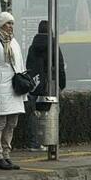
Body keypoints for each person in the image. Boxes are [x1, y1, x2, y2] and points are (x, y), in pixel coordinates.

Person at [0, 11, 27, 170]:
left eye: (12, 23)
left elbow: (20, 66)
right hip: (0, 88)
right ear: (0, 25)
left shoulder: (14, 42)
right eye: (8, 23)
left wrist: (24, 89)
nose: (10, 26)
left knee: (12, 122)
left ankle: (6, 154)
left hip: (14, 88)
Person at [25, 20, 67, 150]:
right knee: (51, 111)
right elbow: (60, 66)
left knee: (34, 113)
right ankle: (50, 141)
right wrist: (62, 84)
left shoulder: (33, 47)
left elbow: (28, 66)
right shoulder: (54, 45)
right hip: (51, 84)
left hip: (35, 84)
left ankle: (35, 142)